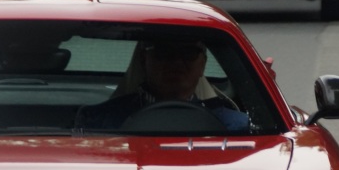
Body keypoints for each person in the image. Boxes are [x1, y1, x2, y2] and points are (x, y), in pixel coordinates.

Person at [75, 38, 250, 131]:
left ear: (203, 64)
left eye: (188, 53)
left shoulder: (237, 127)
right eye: (163, 52)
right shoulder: (96, 122)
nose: (175, 62)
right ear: (144, 60)